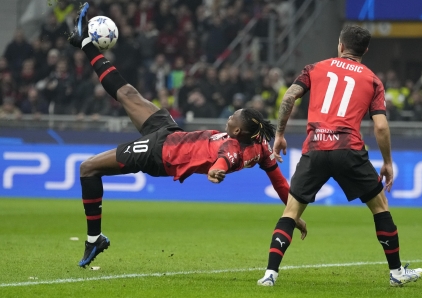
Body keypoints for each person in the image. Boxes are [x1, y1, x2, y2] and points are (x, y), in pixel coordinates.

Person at [68, 3, 307, 268]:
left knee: (88, 168)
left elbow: (224, 160)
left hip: (161, 153)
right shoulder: (260, 146)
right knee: (127, 94)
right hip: (171, 133)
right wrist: (293, 212)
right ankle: (86, 43)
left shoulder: (233, 147)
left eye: (232, 117)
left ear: (237, 131)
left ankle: (94, 239)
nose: (229, 118)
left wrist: (216, 171)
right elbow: (280, 182)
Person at [256, 24, 422, 287]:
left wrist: (279, 134)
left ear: (340, 45)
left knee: (291, 211)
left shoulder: (315, 68)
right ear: (365, 50)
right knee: (380, 207)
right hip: (349, 150)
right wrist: (388, 162)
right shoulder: (372, 80)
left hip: (316, 148)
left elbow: (289, 96)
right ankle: (397, 272)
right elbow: (380, 126)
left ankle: (269, 274)